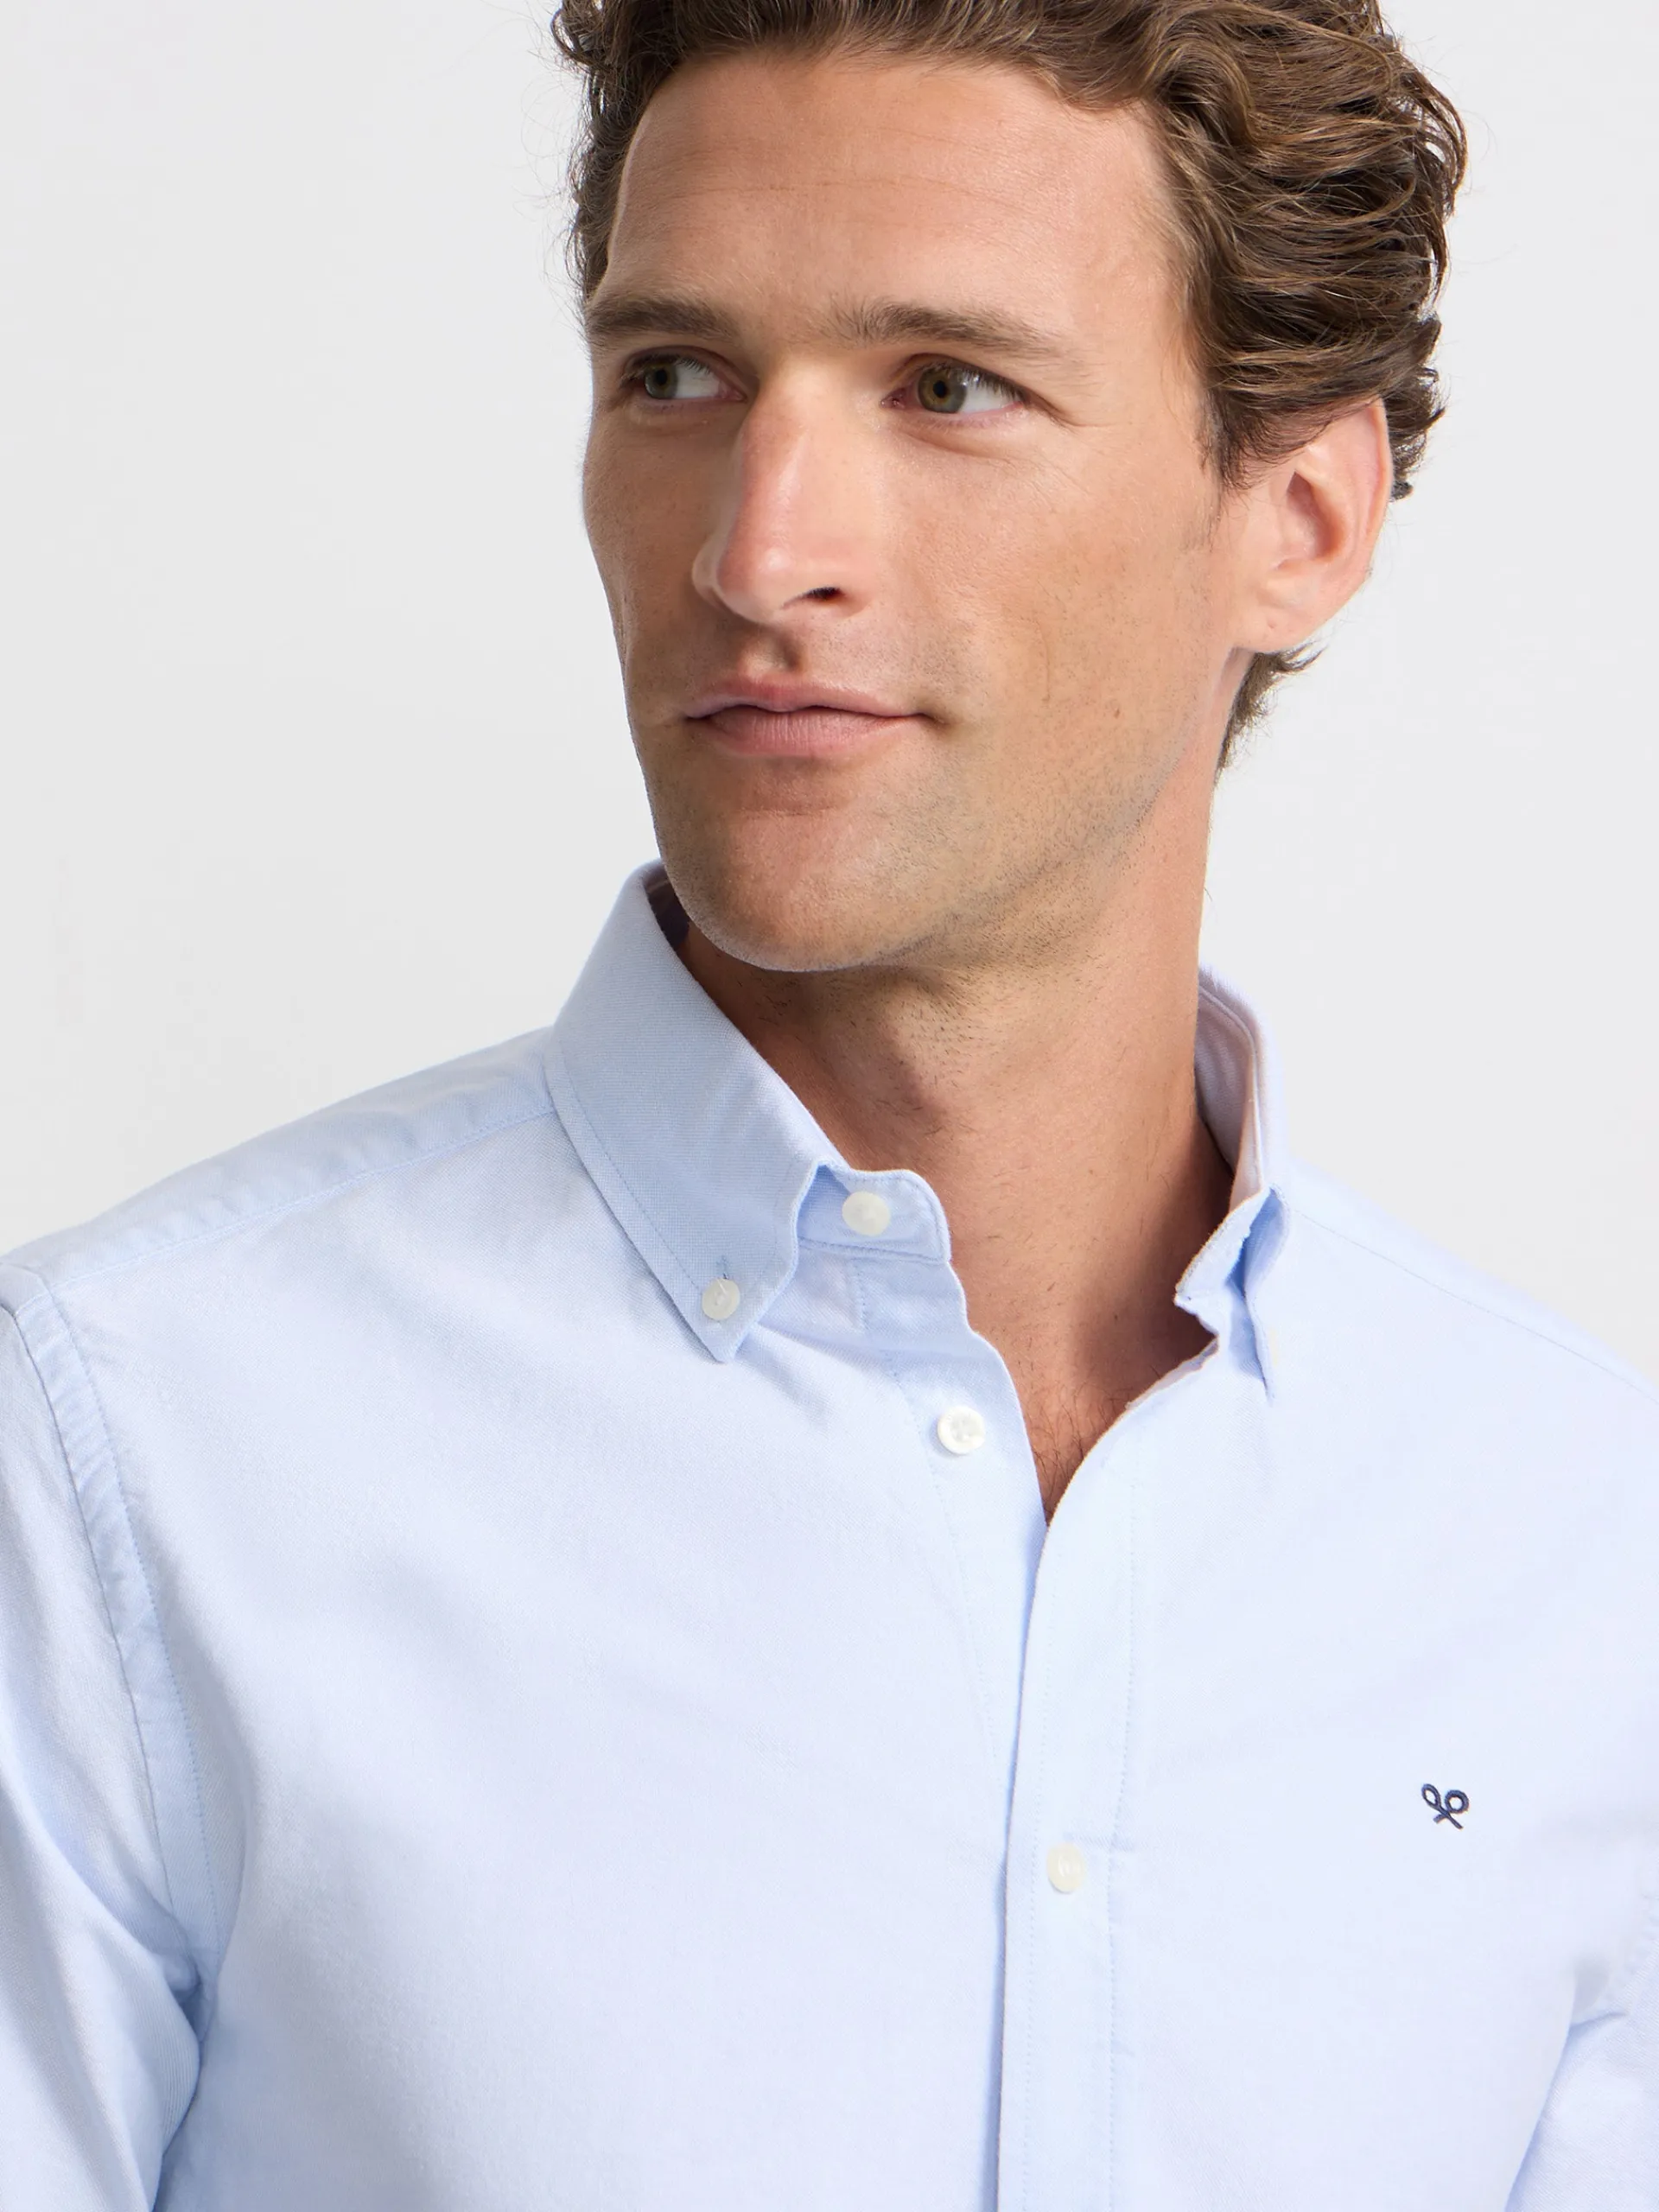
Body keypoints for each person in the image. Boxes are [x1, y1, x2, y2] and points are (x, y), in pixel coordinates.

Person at [3, 0, 1655, 2202]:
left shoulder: (1574, 1547)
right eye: (675, 376)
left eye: (947, 387)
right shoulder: (121, 1457)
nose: (757, 552)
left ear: (1299, 515)